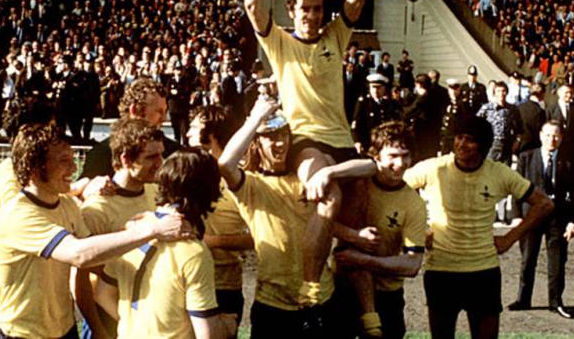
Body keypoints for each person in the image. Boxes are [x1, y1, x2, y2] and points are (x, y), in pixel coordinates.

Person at [244, 0, 369, 315]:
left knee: (350, 234)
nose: (313, 16)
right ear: (291, 13)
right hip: (307, 142)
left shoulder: (336, 34)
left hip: (344, 141)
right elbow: (251, 4)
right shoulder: (279, 42)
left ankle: (358, 312)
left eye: (317, 9)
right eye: (305, 10)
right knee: (326, 195)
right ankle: (310, 288)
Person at [0, 124, 190, 339]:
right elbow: (80, 255)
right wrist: (150, 230)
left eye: (73, 159)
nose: (74, 169)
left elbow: (96, 261)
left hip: (64, 330)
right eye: (64, 162)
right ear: (36, 168)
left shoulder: (66, 204)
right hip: (22, 335)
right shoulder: (19, 215)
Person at [218, 99, 377, 338]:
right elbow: (226, 163)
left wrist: (328, 172)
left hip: (321, 298)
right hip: (273, 305)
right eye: (271, 137)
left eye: (284, 135)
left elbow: (370, 166)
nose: (280, 143)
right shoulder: (250, 185)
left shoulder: (308, 178)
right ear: (257, 143)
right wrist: (254, 118)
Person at [403, 116, 553, 339]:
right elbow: (395, 190)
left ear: (483, 145)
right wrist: (415, 232)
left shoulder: (499, 172)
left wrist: (509, 238)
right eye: (459, 137)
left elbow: (544, 204)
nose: (461, 144)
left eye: (470, 140)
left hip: (483, 271)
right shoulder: (434, 168)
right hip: (442, 270)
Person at [99, 148, 238, 338]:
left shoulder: (132, 231)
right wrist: (226, 327)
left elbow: (102, 294)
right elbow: (207, 334)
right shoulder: (193, 252)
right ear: (209, 191)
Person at [332, 121, 426, 339]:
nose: (400, 163)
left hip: (387, 297)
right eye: (392, 155)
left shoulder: (413, 204)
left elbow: (412, 264)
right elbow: (320, 222)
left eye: (405, 155)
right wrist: (353, 236)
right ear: (375, 156)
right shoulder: (356, 184)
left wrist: (363, 260)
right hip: (343, 291)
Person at [77, 118, 166, 337]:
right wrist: (98, 328)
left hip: (147, 312)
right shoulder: (97, 210)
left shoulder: (156, 193)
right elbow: (80, 282)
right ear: (126, 159)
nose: (160, 163)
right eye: (151, 157)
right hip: (110, 319)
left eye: (161, 154)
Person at [187, 105, 253, 330]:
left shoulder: (240, 180)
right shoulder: (186, 172)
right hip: (187, 281)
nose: (187, 133)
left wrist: (212, 241)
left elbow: (259, 237)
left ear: (212, 133)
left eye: (194, 127)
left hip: (224, 285)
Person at [508, 121, 574, 320]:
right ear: (541, 136)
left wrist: (572, 221)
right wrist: (516, 216)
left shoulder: (569, 161)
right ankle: (523, 299)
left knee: (557, 262)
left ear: (562, 137)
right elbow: (516, 190)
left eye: (556, 135)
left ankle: (556, 301)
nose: (552, 139)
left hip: (558, 217)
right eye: (548, 135)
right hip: (531, 214)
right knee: (527, 259)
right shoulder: (526, 157)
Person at [80, 78, 180, 178]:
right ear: (135, 110)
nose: (165, 119)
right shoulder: (101, 156)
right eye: (159, 111)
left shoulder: (175, 154)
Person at [352, 73, 401, 153]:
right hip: (368, 143)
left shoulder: (390, 103)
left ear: (384, 88)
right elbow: (356, 124)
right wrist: (357, 141)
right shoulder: (364, 102)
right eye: (373, 87)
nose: (375, 91)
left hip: (385, 143)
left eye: (378, 87)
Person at [517, 83, 546, 153]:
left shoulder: (520, 107)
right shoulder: (540, 111)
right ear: (542, 94)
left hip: (519, 143)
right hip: (532, 146)